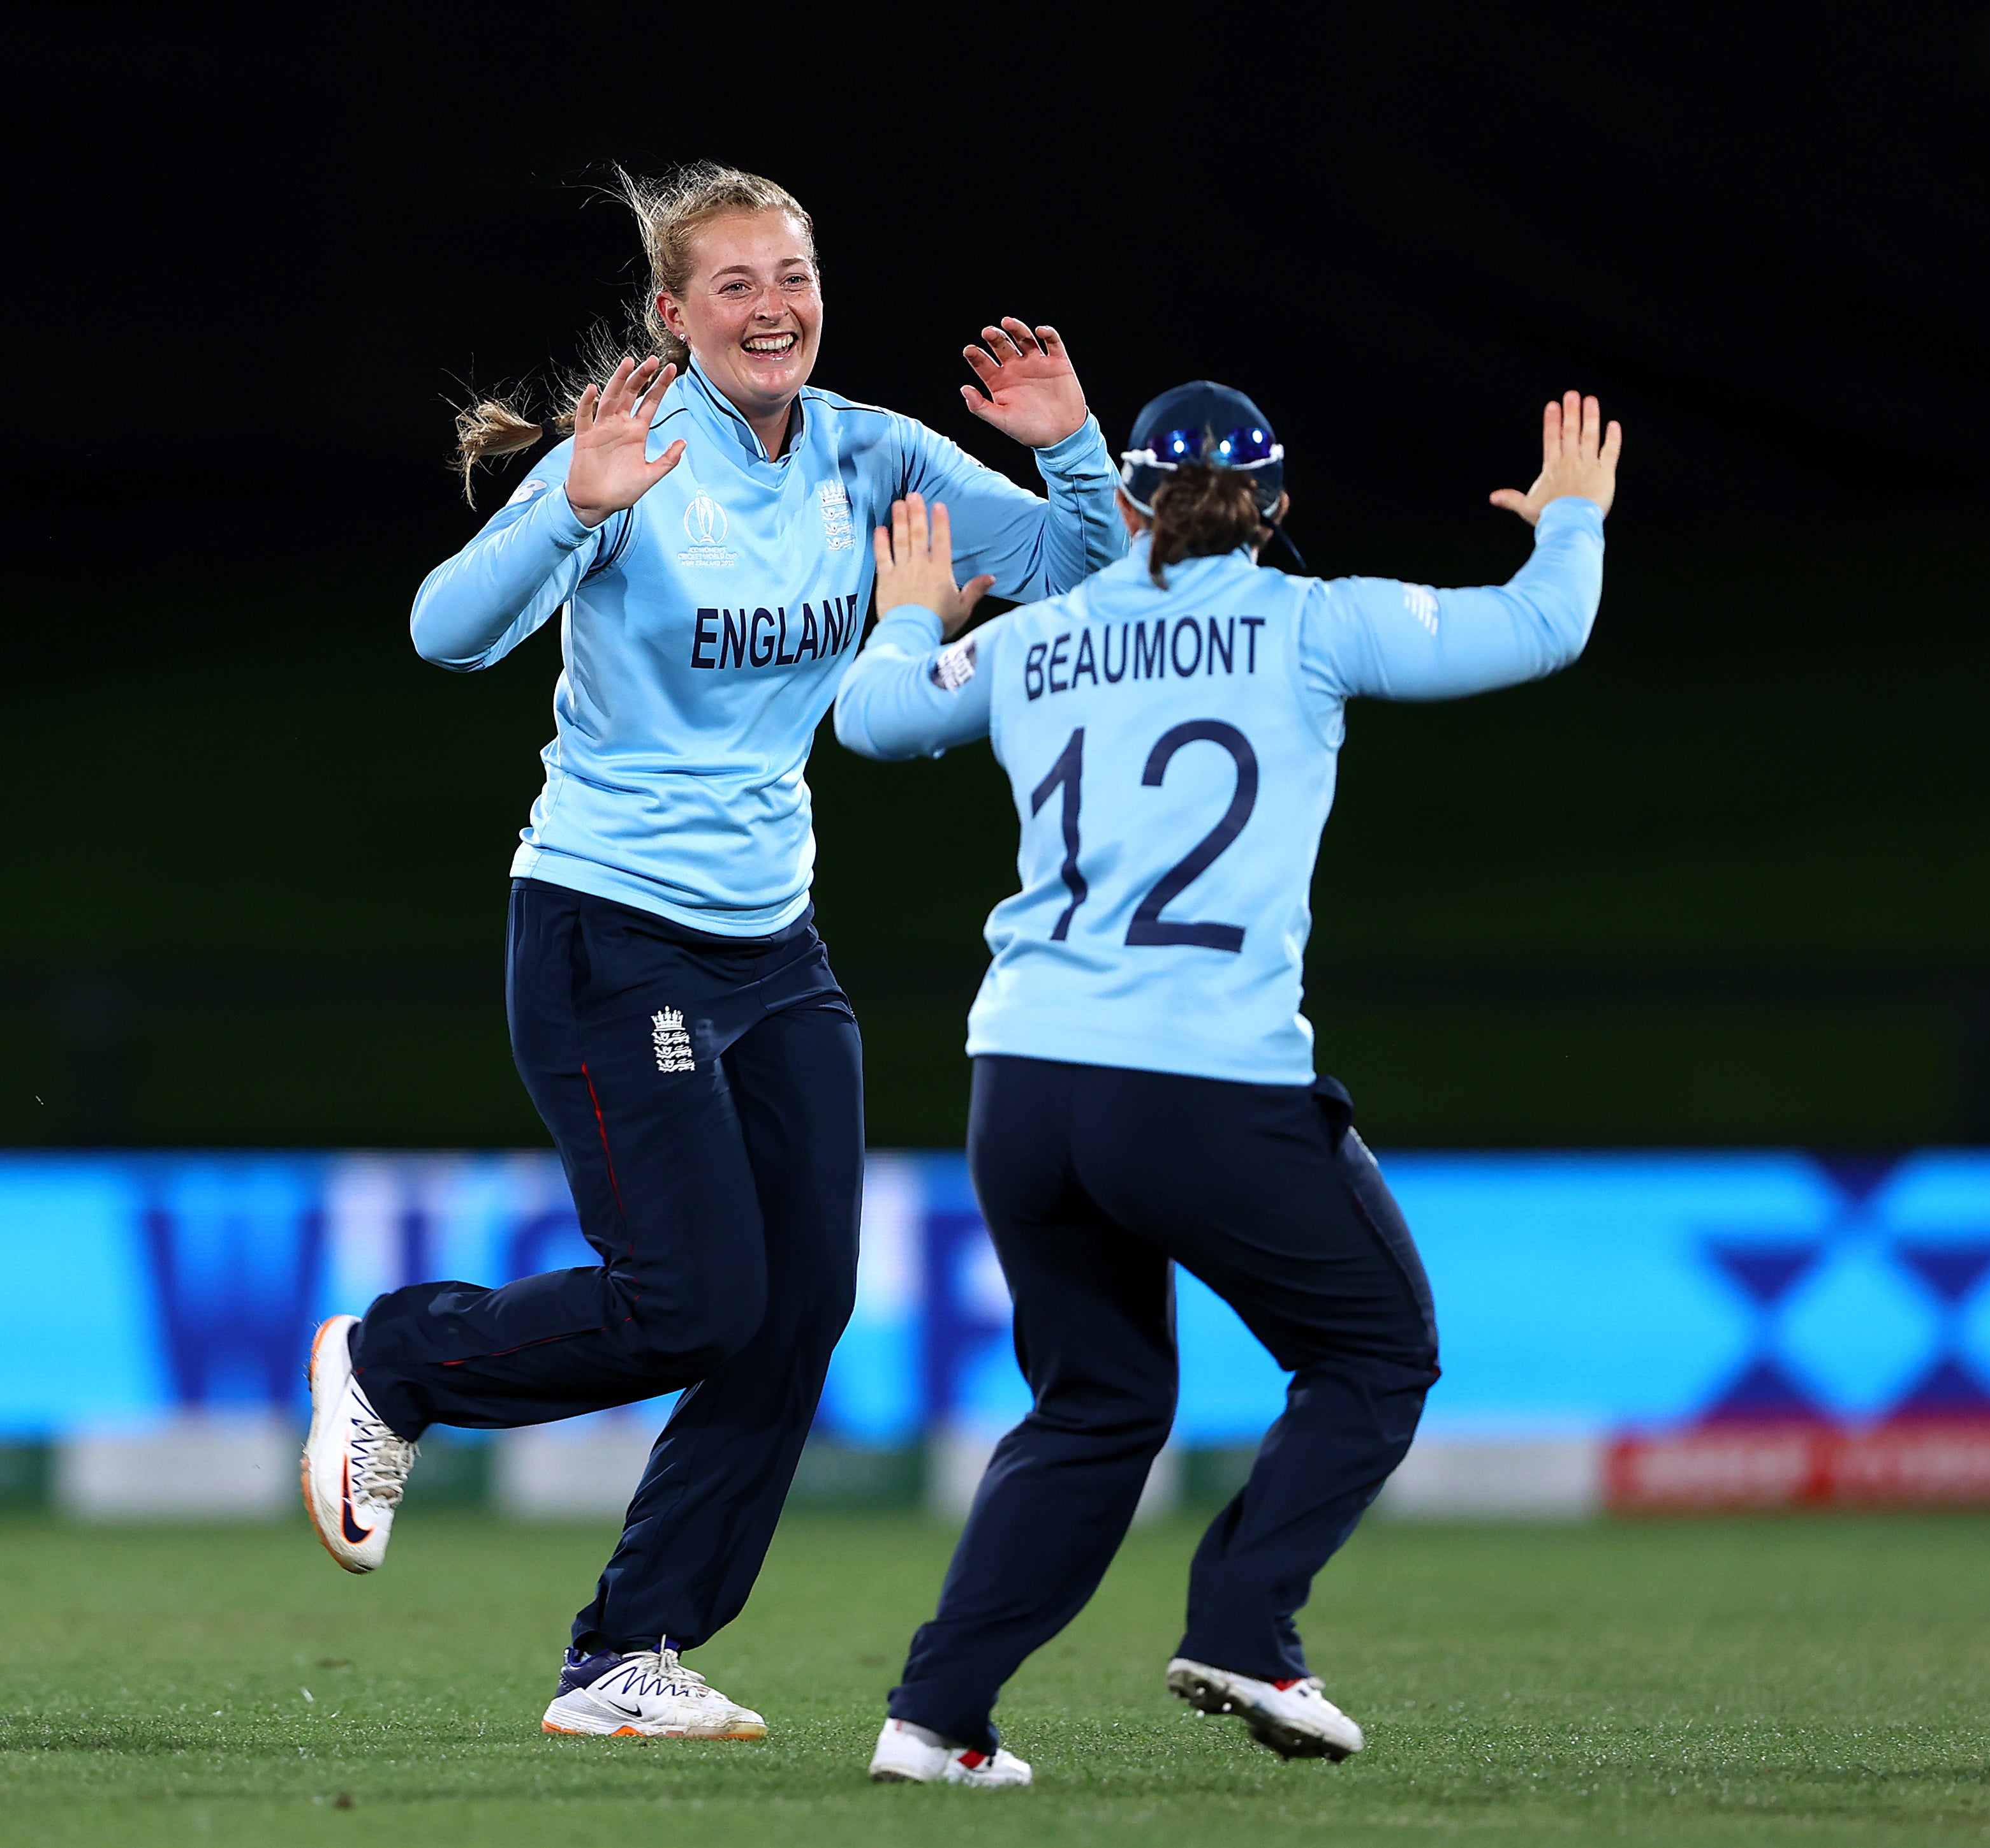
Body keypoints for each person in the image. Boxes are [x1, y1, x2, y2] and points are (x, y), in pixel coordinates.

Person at [297, 162, 1127, 1742]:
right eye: (734, 285)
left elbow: (1085, 574)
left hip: (774, 946)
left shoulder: (871, 451)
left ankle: (630, 1654)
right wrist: (566, 507)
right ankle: (398, 1359)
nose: (774, 308)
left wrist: (1071, 448)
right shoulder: (635, 456)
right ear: (673, 316)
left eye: (793, 277)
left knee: (799, 1306)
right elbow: (441, 634)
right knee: (688, 1300)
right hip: (612, 931)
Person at [832, 383, 1619, 1786]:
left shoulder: (1041, 638)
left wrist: (912, 614)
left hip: (1021, 1083)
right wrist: (1569, 523)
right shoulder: (1310, 621)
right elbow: (1544, 624)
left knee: (1092, 1404)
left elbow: (877, 721)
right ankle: (1244, 1626)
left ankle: (934, 1715)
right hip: (1198, 1079)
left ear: (1129, 504)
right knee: (1375, 1352)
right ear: (1274, 508)